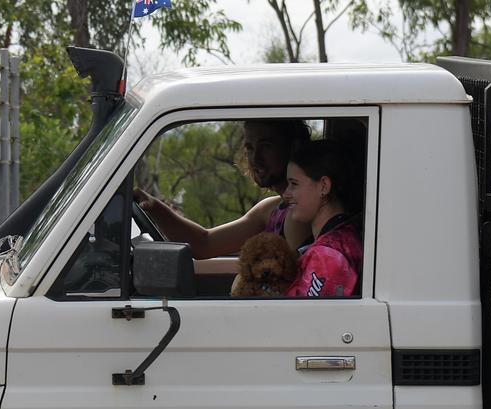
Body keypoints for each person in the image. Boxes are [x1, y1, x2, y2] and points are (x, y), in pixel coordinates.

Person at [133, 119, 310, 260]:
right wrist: (154, 206)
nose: (256, 157)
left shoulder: (299, 214)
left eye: (266, 146)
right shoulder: (271, 209)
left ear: (293, 147)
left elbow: (295, 285)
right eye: (250, 148)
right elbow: (204, 243)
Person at [283, 139, 362, 298]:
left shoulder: (328, 256)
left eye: (294, 184)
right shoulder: (341, 237)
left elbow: (301, 318)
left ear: (324, 186)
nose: (286, 193)